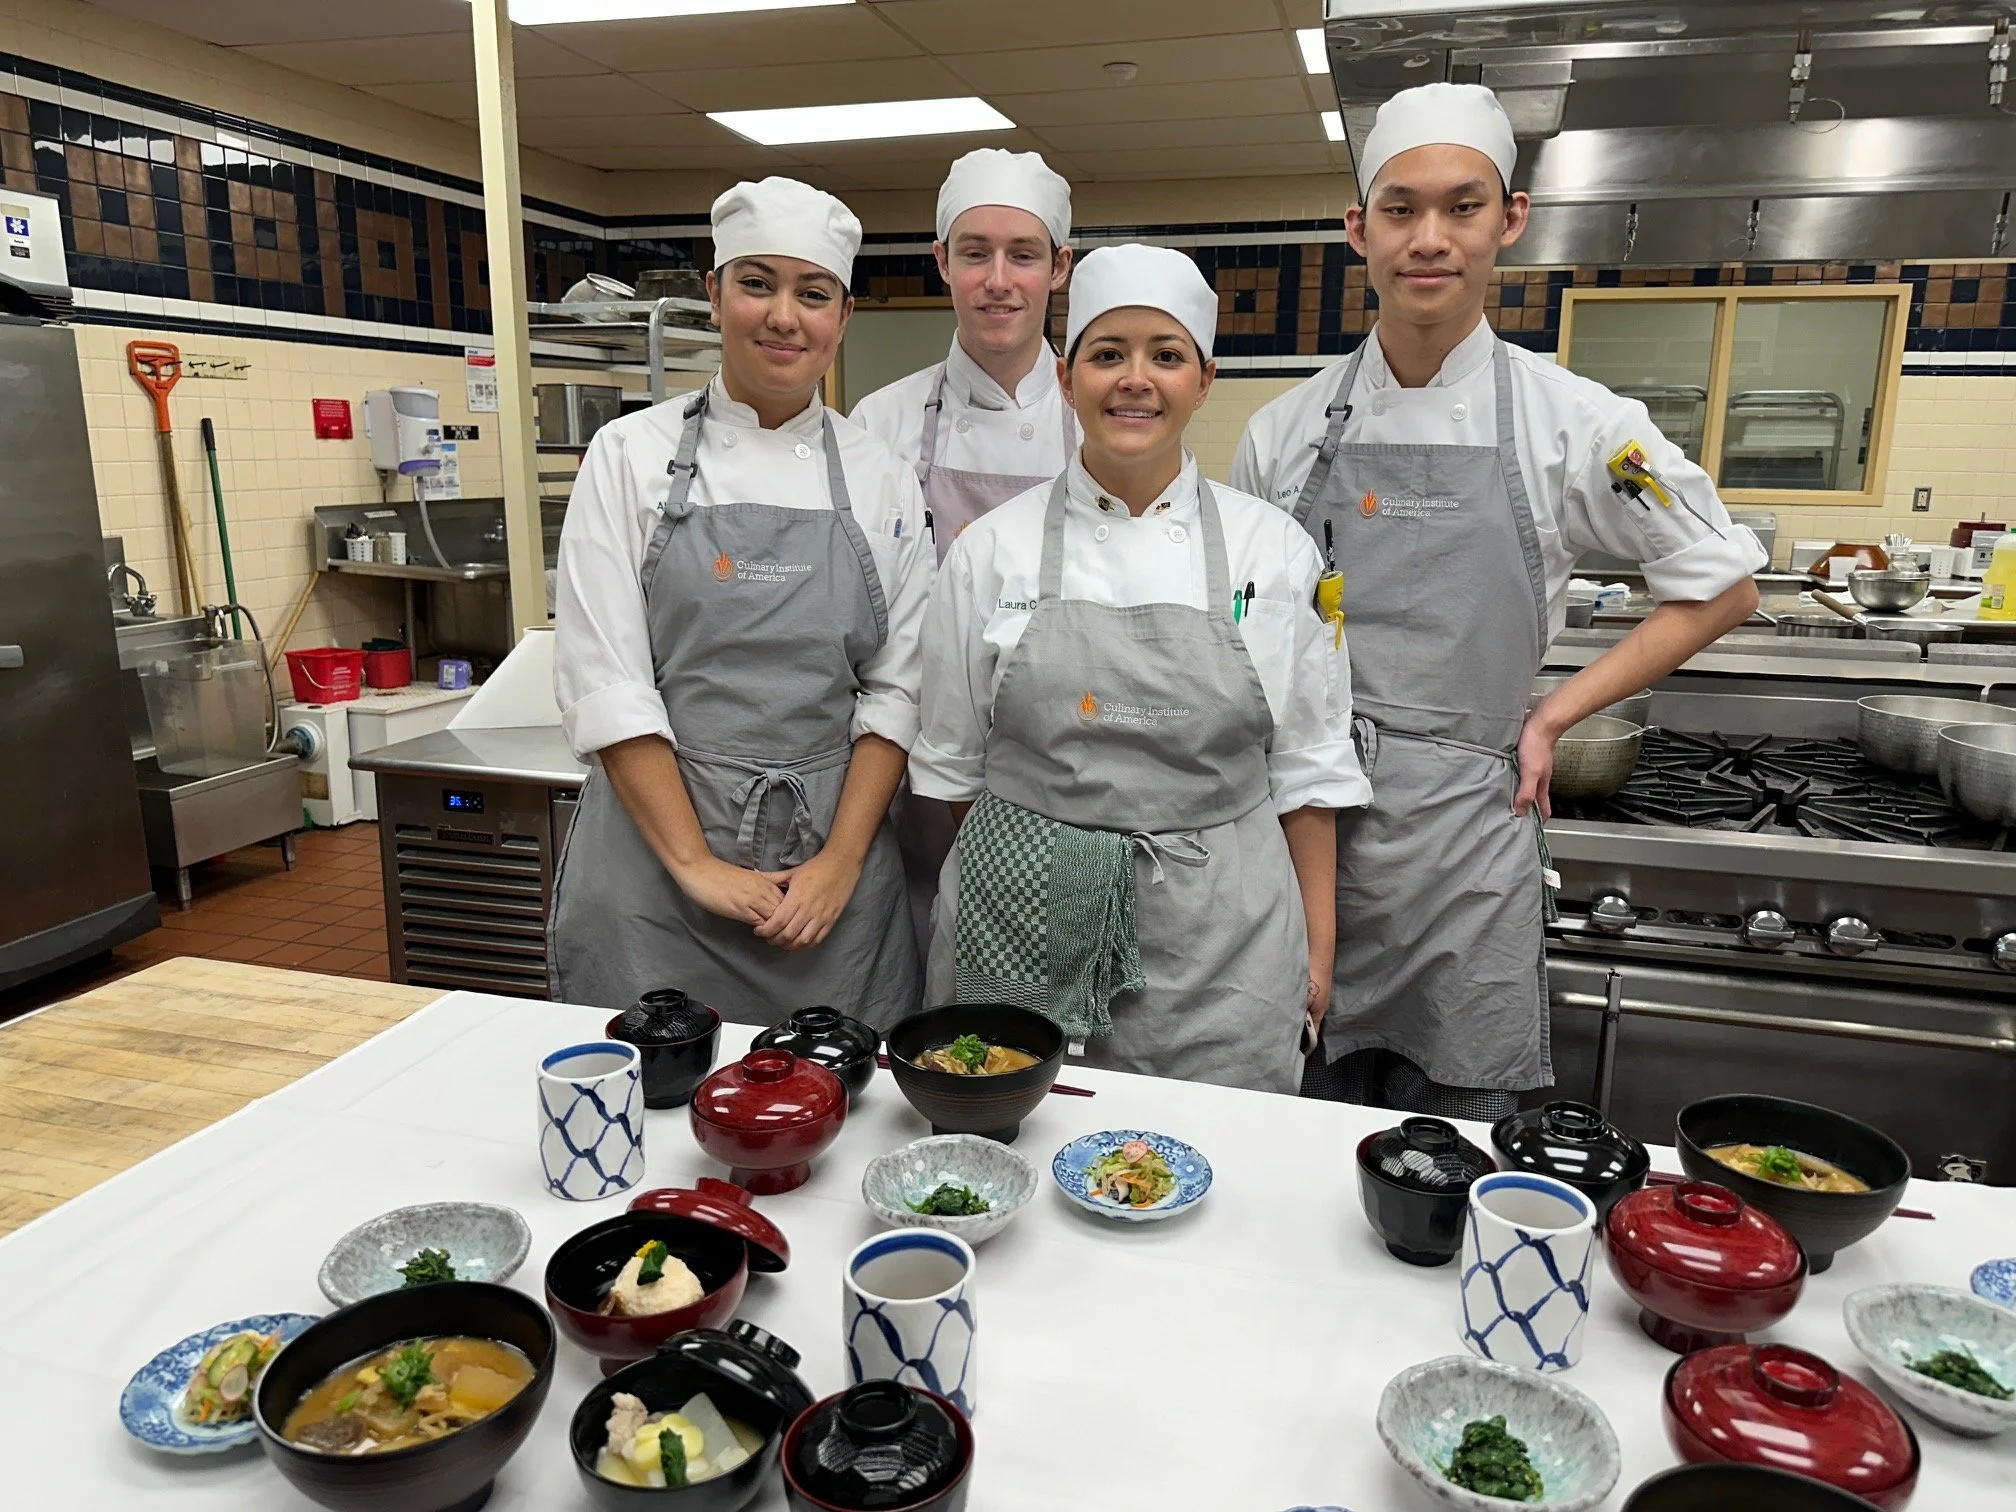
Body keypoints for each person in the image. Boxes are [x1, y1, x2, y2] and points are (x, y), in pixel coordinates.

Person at [1232, 83, 1767, 1119]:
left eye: (1462, 206)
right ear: (1359, 230)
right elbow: (1251, 635)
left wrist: (1554, 716)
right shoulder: (1283, 431)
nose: (1429, 239)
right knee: (1295, 1129)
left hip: (1468, 844)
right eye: (1400, 209)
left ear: (1510, 219)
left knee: (1457, 1145)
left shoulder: (1584, 426)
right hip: (1300, 829)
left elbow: (1721, 583)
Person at [913, 243, 1371, 1094]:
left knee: (1215, 1174)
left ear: (1203, 381)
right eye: (1107, 354)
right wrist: (1041, 852)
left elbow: (1308, 773)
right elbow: (950, 770)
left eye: (1165, 356)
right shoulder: (988, 552)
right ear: (1066, 376)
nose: (1135, 379)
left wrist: (1317, 949)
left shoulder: (1276, 554)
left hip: (1224, 938)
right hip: (1020, 921)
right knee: (1013, 1154)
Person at [549, 176, 930, 1026]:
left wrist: (838, 864)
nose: (784, 316)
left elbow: (897, 690)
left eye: (814, 293)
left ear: (844, 318)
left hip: (828, 881)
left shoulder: (881, 477)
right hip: (655, 872)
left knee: (837, 1118)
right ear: (714, 296)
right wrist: (693, 863)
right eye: (757, 283)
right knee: (650, 1115)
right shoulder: (627, 456)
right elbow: (608, 679)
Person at [850, 148, 1080, 960]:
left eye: (1023, 255)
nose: (998, 280)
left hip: (1065, 766)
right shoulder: (878, 425)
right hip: (907, 762)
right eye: (974, 253)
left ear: (1059, 269)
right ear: (941, 261)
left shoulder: (1103, 421)